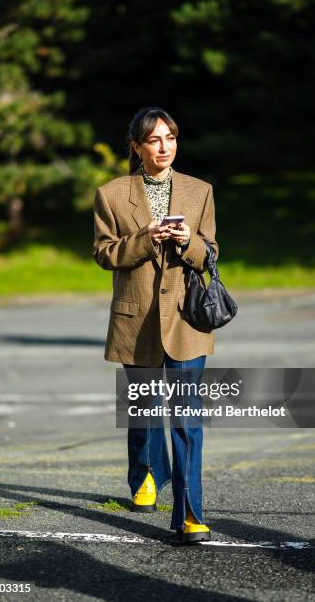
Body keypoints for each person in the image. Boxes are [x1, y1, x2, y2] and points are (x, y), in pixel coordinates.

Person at [92, 106, 219, 543]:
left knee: (186, 419)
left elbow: (211, 253)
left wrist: (189, 242)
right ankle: (145, 472)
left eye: (171, 137)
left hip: (186, 322)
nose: (164, 147)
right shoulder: (111, 194)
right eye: (154, 140)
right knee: (144, 412)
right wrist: (146, 238)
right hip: (135, 320)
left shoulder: (200, 191)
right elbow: (105, 254)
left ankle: (190, 514)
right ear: (137, 147)